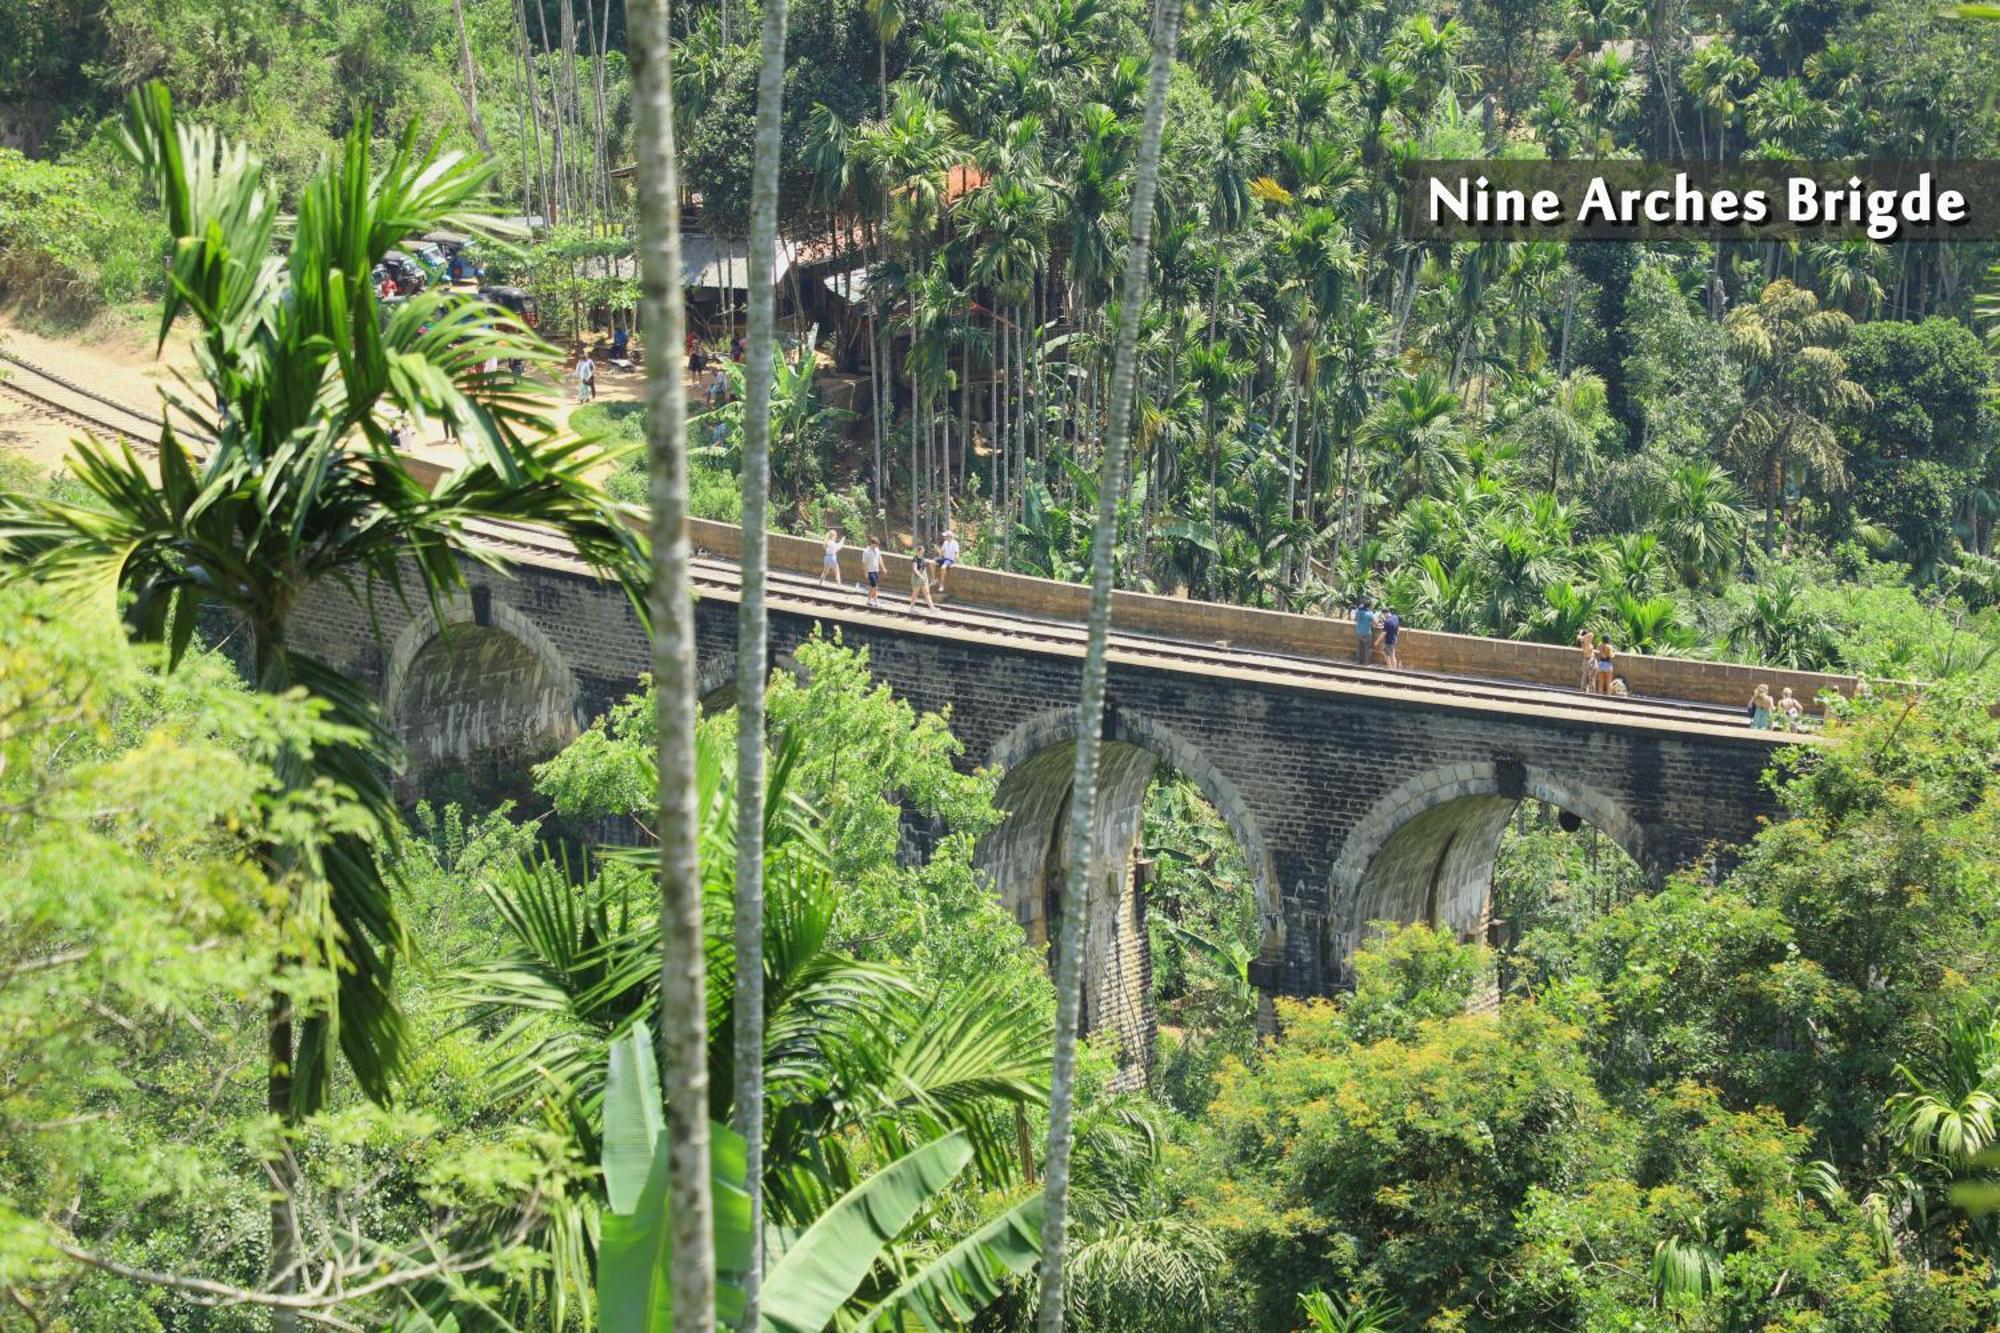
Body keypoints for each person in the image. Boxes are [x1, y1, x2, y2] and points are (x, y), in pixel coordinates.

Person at [908, 544, 936, 613]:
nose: (922, 552)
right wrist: (921, 576)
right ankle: (911, 608)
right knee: (915, 593)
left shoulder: (922, 558)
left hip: (923, 577)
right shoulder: (915, 559)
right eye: (921, 551)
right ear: (918, 551)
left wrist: (926, 577)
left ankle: (932, 607)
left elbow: (924, 568)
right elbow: (915, 569)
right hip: (916, 578)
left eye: (923, 551)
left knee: (927, 593)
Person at [861, 536, 884, 607]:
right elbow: (864, 562)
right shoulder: (866, 551)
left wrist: (883, 567)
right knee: (875, 586)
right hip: (870, 571)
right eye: (875, 545)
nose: (876, 546)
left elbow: (880, 558)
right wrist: (865, 572)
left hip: (876, 570)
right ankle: (876, 601)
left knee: (872, 586)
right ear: (871, 543)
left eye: (877, 545)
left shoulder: (877, 549)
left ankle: (869, 601)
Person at [1352, 600, 1375, 666]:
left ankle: (1357, 661)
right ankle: (1366, 663)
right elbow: (1374, 623)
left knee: (1358, 648)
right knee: (1367, 648)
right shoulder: (1370, 613)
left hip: (1359, 632)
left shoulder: (1359, 612)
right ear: (1369, 606)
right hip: (1367, 633)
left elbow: (1356, 620)